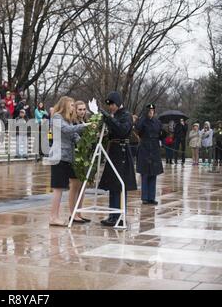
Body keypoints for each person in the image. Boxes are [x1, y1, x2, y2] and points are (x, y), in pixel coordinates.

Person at [48, 96, 90, 226]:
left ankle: (68, 214)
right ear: (65, 105)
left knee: (65, 186)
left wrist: (89, 140)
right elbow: (67, 130)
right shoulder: (57, 118)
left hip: (67, 158)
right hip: (58, 157)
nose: (73, 107)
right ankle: (53, 217)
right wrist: (85, 125)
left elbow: (75, 137)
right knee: (58, 188)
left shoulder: (68, 120)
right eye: (72, 105)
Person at [98, 91, 137, 227]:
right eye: (110, 105)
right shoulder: (116, 115)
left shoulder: (126, 115)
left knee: (120, 185)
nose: (111, 107)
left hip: (122, 152)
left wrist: (109, 118)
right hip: (113, 151)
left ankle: (120, 215)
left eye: (113, 104)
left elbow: (122, 130)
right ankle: (112, 215)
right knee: (113, 185)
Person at [136, 104, 163, 205]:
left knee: (153, 174)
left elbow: (160, 133)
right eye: (150, 110)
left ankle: (152, 197)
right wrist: (144, 117)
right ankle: (145, 197)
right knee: (145, 174)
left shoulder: (157, 121)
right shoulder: (143, 120)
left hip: (155, 149)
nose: (151, 112)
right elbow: (138, 128)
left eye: (153, 110)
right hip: (145, 149)